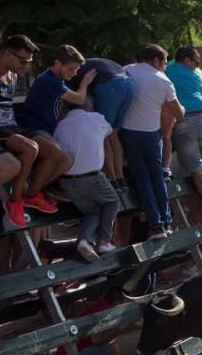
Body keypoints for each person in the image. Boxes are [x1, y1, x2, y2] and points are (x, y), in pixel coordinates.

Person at [0, 35, 74, 227]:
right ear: (6, 53)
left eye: (29, 61)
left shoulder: (14, 75)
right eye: (22, 60)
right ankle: (15, 201)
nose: (25, 65)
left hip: (11, 125)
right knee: (30, 148)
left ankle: (31, 195)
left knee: (57, 154)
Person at [122, 44, 181, 240]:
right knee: (156, 178)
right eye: (164, 62)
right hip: (150, 133)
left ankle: (156, 225)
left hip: (128, 131)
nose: (164, 66)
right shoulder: (163, 81)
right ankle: (163, 223)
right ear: (155, 60)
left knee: (142, 179)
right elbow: (177, 112)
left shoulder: (126, 71)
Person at [52, 104, 120, 262]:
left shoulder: (61, 125)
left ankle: (85, 241)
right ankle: (104, 241)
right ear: (88, 106)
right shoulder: (95, 118)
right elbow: (110, 132)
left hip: (67, 180)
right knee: (112, 202)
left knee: (93, 211)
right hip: (92, 176)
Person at [165, 46, 202, 221]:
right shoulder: (195, 75)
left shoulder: (166, 71)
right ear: (186, 60)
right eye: (196, 62)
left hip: (184, 121)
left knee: (196, 169)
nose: (197, 65)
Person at [70, 56, 136, 188]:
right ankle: (121, 178)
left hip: (110, 85)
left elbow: (79, 98)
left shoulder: (72, 72)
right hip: (130, 84)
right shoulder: (92, 63)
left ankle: (111, 179)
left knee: (102, 135)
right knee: (113, 133)